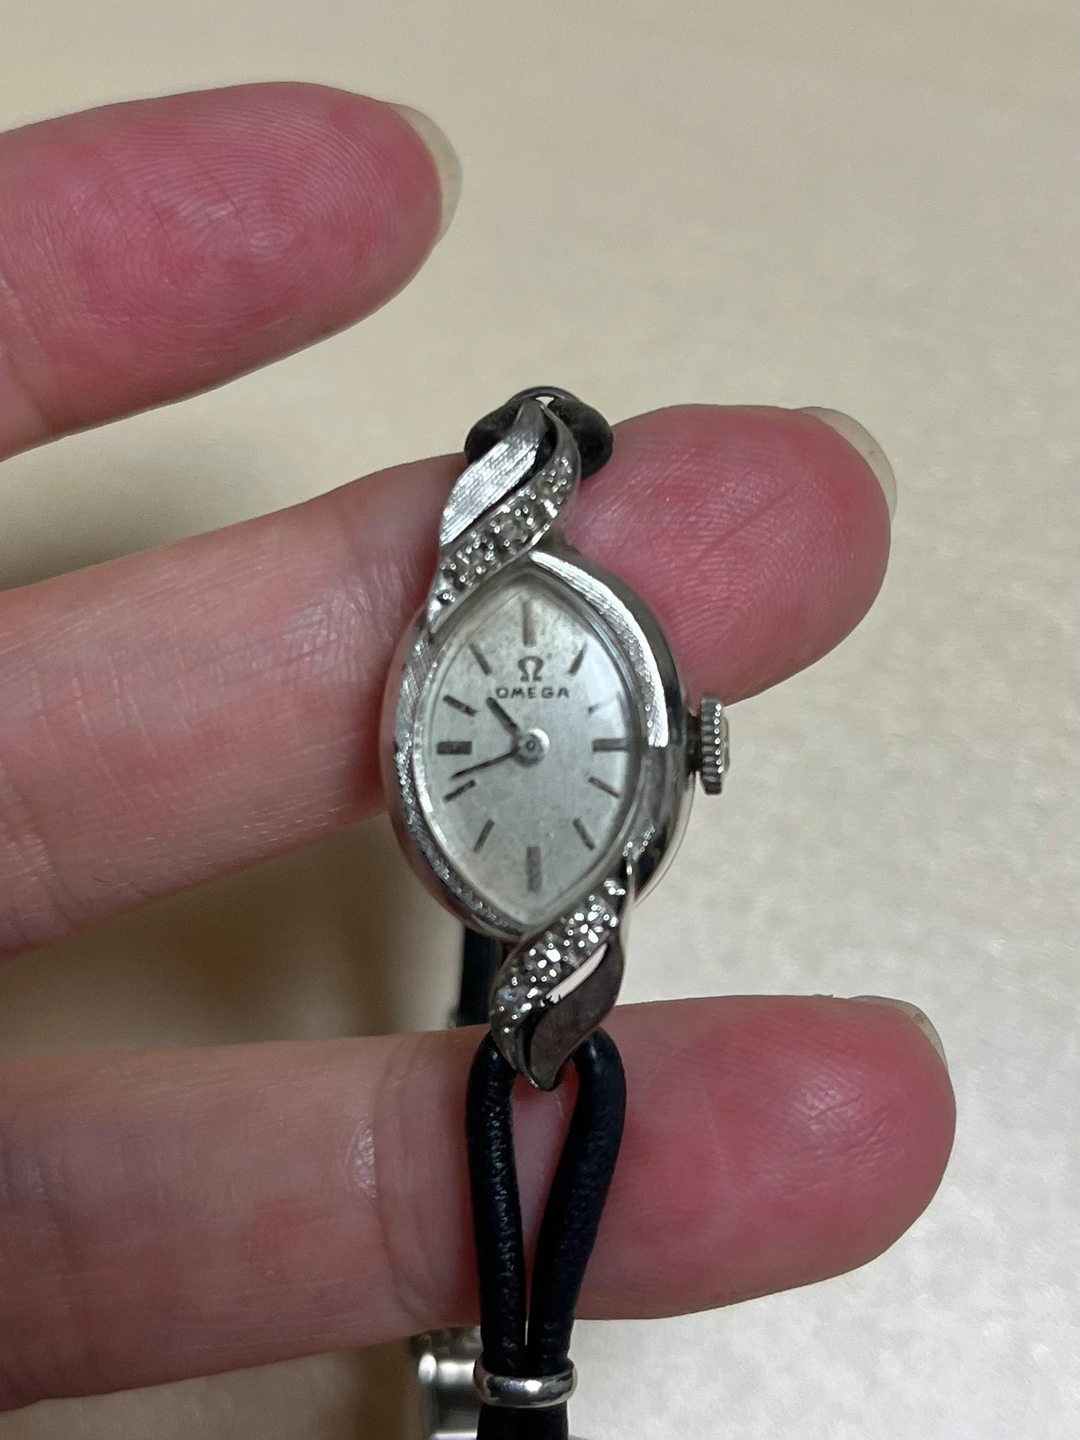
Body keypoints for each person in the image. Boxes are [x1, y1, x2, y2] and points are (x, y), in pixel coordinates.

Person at [0, 82, 953, 1411]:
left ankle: (486, 1377)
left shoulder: (552, 645)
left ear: (685, 741)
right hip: (510, 875)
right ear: (692, 740)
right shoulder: (495, 670)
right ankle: (491, 1380)